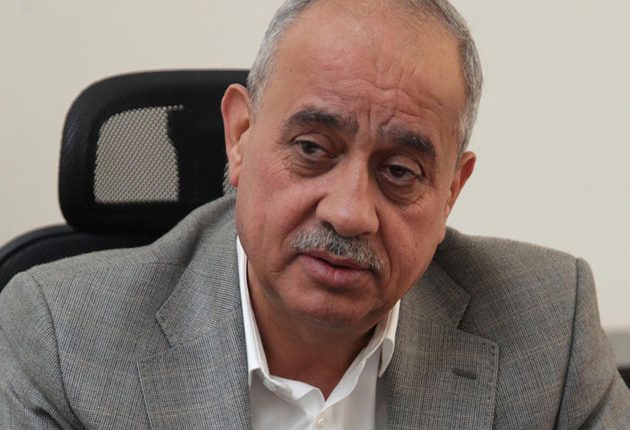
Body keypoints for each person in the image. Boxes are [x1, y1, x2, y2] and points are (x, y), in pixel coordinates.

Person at [1, 0, 629, 428]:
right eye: (311, 149)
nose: (350, 213)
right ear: (240, 136)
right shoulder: (62, 340)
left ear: (450, 193)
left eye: (399, 171)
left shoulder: (549, 329)